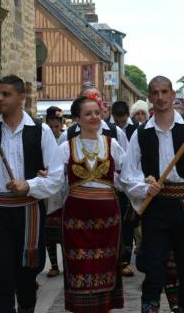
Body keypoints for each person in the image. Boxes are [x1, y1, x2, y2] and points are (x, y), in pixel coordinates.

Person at [0, 75, 64, 313]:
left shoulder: (41, 131)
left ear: (21, 98)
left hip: (29, 214)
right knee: (3, 277)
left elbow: (56, 177)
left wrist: (28, 185)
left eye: (6, 94)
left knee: (27, 279)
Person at [121, 75, 184, 313]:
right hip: (157, 205)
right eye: (155, 93)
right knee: (153, 266)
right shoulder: (141, 133)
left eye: (165, 92)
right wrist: (145, 188)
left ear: (173, 95)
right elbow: (127, 175)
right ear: (149, 97)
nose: (160, 97)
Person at [59, 95, 125, 312]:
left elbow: (126, 177)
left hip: (107, 223)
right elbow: (56, 182)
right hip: (76, 223)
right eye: (88, 113)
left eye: (97, 113)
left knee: (105, 267)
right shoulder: (66, 147)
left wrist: (143, 183)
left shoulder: (112, 144)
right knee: (79, 268)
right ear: (77, 118)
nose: (94, 117)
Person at [109, 100, 139, 276]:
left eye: (123, 121)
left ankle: (125, 259)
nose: (120, 124)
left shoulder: (136, 128)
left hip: (127, 181)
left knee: (127, 224)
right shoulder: (108, 128)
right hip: (112, 183)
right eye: (117, 121)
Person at [58, 83, 128, 153]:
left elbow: (126, 161)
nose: (94, 116)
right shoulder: (67, 136)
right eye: (88, 113)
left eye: (98, 103)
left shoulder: (117, 133)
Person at [44, 106, 64, 277]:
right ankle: (54, 265)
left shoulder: (64, 141)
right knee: (49, 234)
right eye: (51, 127)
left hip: (64, 193)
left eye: (56, 127)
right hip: (48, 193)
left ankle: (67, 264)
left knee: (65, 233)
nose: (54, 130)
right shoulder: (42, 140)